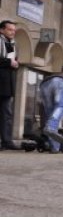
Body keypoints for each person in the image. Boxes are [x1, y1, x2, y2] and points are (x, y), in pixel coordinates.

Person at [0, 20, 21, 151]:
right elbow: (7, 61)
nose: (12, 32)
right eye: (10, 29)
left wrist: (15, 64)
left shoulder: (12, 44)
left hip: (7, 85)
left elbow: (13, 61)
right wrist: (9, 62)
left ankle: (7, 141)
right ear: (2, 30)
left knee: (6, 114)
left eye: (14, 30)